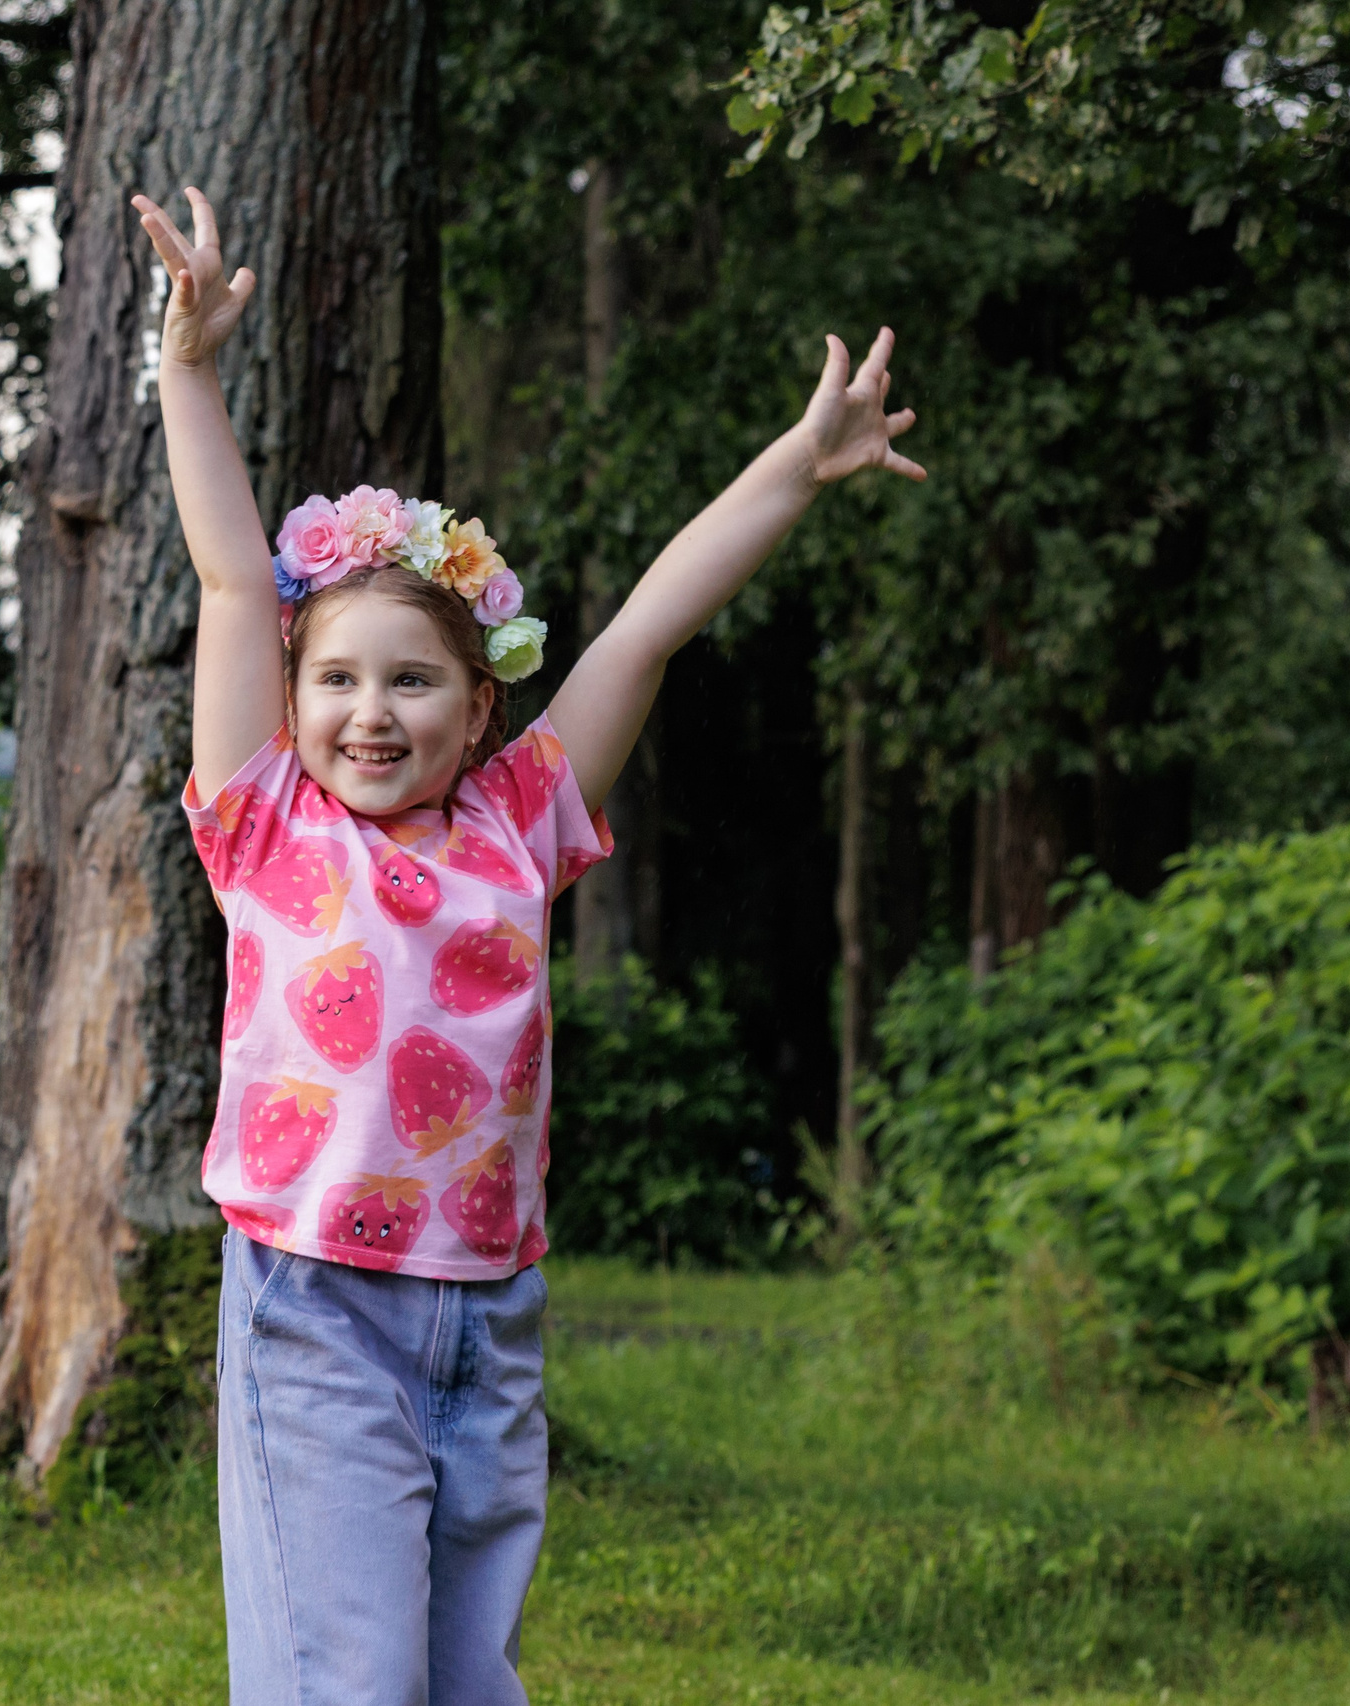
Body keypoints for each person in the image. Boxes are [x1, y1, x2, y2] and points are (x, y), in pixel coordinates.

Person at [132, 184, 925, 1704]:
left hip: (487, 1314)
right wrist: (187, 367)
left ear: (480, 703)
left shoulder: (521, 823)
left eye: (416, 680)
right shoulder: (268, 826)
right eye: (340, 678)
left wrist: (794, 470)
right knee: (340, 1682)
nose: (372, 711)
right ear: (292, 705)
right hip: (314, 1307)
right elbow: (238, 576)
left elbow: (641, 635)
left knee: (461, 1681)